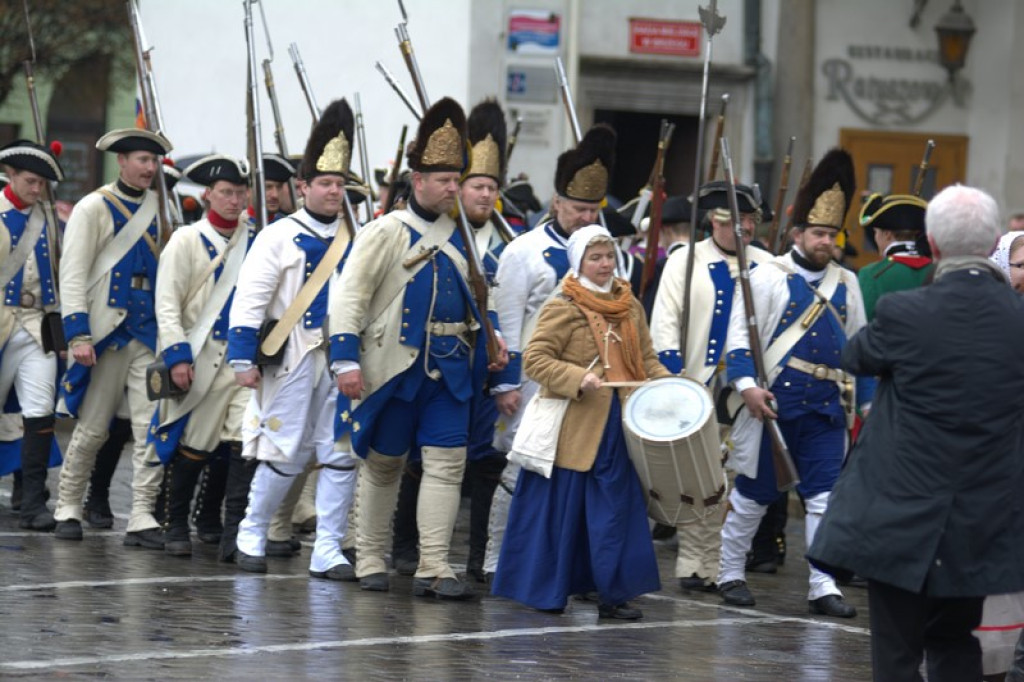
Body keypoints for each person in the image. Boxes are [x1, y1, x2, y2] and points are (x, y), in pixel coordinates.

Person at [808, 184, 1024, 681]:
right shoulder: (1017, 319)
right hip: (980, 517)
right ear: (994, 237)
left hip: (899, 514)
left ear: (933, 242)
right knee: (956, 644)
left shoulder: (907, 312)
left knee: (897, 651)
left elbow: (854, 356)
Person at [329, 97, 508, 600]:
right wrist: (344, 358)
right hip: (394, 366)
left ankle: (434, 564)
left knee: (448, 465)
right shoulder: (385, 231)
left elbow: (479, 295)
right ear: (418, 180)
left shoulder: (464, 237)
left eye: (458, 178)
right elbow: (351, 296)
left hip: (451, 369)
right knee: (384, 463)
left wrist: (494, 340)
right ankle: (368, 556)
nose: (454, 187)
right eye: (445, 179)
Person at [719, 149, 873, 618]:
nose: (826, 241)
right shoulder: (766, 276)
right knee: (754, 496)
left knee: (824, 499)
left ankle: (823, 585)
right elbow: (738, 343)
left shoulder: (847, 282)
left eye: (832, 234)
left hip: (826, 410)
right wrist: (746, 386)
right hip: (773, 407)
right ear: (798, 234)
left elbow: (862, 349)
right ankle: (729, 573)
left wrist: (867, 407)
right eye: (818, 233)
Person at [492, 224, 671, 619]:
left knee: (616, 511)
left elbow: (647, 358)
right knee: (563, 512)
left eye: (609, 256)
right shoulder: (563, 305)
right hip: (574, 429)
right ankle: (548, 591)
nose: (605, 264)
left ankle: (614, 594)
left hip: (620, 425)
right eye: (595, 257)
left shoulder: (629, 304)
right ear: (579, 262)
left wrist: (674, 389)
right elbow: (536, 359)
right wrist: (577, 378)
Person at [226, 99, 358, 580]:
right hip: (293, 356)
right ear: (303, 187)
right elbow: (251, 299)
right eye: (324, 183)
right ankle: (251, 532)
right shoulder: (278, 236)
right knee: (282, 449)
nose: (332, 192)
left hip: (343, 360)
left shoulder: (356, 238)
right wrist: (242, 357)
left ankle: (327, 548)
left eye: (339, 184)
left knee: (341, 453)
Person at [484, 124, 617, 579]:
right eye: (577, 208)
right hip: (534, 380)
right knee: (520, 468)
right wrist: (505, 383)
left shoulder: (610, 257)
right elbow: (506, 323)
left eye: (592, 209)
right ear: (557, 202)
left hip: (593, 384)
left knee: (581, 472)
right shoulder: (523, 251)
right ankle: (497, 558)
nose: (585, 217)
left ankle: (566, 564)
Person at [389, 98, 513, 582]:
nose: (482, 195)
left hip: (482, 364)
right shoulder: (437, 232)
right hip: (433, 359)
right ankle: (404, 547)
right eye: (474, 185)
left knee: (478, 462)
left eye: (490, 187)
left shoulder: (507, 243)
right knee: (417, 459)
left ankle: (474, 558)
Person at [649, 181, 773, 594]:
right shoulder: (686, 261)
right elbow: (665, 322)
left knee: (736, 478)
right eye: (737, 221)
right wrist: (673, 376)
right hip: (697, 381)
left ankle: (723, 562)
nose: (746, 229)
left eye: (752, 221)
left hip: (744, 388)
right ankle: (694, 562)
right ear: (714, 223)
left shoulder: (767, 266)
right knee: (700, 478)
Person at [54, 128, 171, 548]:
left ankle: (141, 514)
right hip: (105, 333)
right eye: (142, 160)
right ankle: (67, 505)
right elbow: (73, 275)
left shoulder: (162, 209)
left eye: (153, 162)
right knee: (94, 428)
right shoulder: (93, 207)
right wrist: (78, 333)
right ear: (121, 161)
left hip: (148, 332)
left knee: (148, 427)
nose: (149, 168)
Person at [148, 154, 256, 557]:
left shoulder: (256, 238)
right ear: (209, 194)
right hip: (200, 354)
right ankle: (174, 522)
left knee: (240, 443)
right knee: (195, 444)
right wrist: (177, 356)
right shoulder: (187, 240)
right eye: (226, 193)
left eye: (240, 193)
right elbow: (167, 303)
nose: (234, 201)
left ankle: (226, 528)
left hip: (242, 358)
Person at [0, 140, 64, 531]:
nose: (37, 189)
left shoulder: (50, 218)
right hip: (2, 321)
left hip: (38, 324)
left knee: (40, 412)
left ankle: (33, 503)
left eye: (41, 183)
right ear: (10, 175)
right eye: (30, 181)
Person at [857, 193, 934, 320]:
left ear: (887, 234)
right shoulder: (938, 272)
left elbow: (863, 324)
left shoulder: (872, 274)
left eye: (876, 232)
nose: (875, 238)